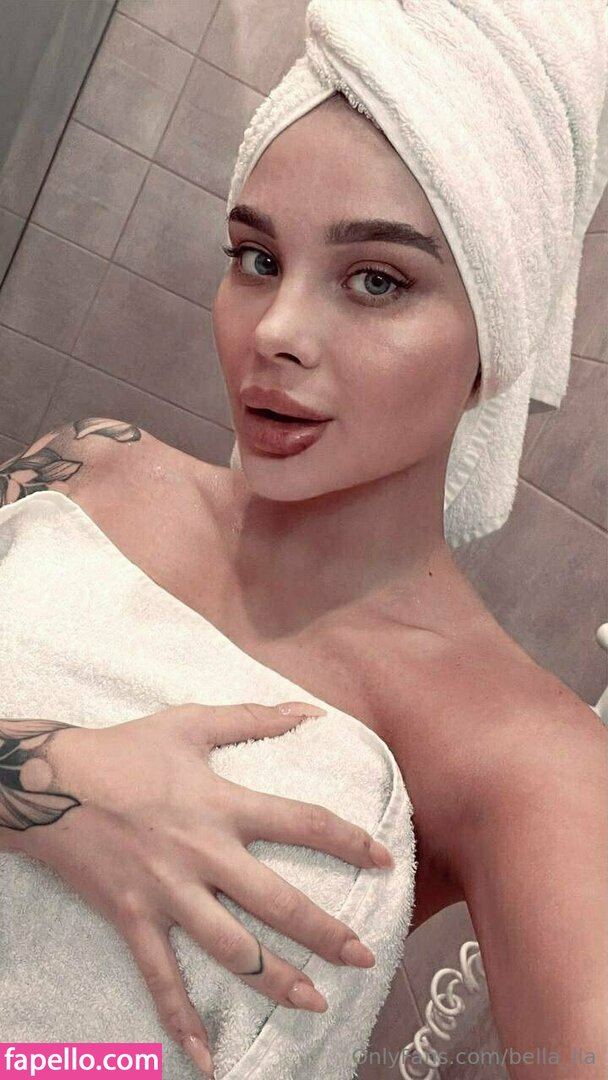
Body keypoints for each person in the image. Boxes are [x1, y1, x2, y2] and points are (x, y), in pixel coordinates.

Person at [1, 2, 607, 1078]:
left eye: (377, 280)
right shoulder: (90, 467)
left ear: (495, 340)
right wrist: (55, 784)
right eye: (255, 257)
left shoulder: (519, 756)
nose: (275, 331)